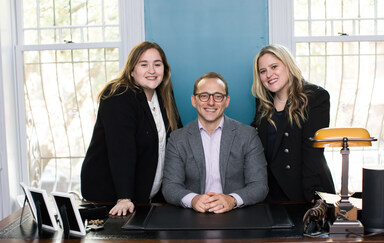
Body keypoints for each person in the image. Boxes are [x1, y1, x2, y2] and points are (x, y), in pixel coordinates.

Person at [81, 41, 181, 216]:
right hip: (110, 197)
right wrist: (124, 197)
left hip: (145, 199)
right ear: (132, 70)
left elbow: (176, 140)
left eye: (157, 64)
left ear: (164, 70)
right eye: (144, 64)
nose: (152, 70)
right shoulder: (118, 95)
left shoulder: (164, 94)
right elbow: (121, 150)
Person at [162, 72, 268, 213]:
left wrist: (232, 200)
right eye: (204, 96)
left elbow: (259, 185)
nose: (211, 102)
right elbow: (170, 186)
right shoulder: (177, 139)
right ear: (194, 100)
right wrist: (193, 200)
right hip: (193, 216)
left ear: (226, 101)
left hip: (236, 214)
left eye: (218, 96)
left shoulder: (248, 135)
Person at [251, 44, 335, 202]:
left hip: (305, 190)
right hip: (271, 193)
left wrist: (312, 201)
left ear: (287, 65)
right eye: (263, 71)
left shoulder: (315, 97)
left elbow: (312, 155)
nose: (269, 74)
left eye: (274, 66)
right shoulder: (263, 102)